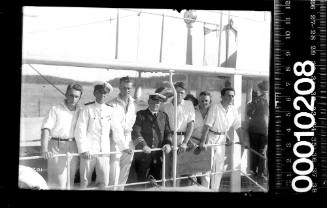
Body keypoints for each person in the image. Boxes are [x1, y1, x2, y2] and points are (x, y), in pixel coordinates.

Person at [199, 87, 247, 191]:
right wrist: (203, 142)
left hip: (222, 140)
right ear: (222, 96)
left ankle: (215, 190)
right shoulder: (215, 107)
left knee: (219, 168)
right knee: (207, 168)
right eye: (228, 95)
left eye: (232, 96)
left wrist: (242, 141)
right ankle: (204, 190)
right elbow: (207, 126)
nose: (231, 98)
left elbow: (237, 126)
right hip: (211, 138)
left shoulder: (233, 110)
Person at [74, 81, 121, 189]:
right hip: (88, 151)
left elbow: (117, 130)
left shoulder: (111, 110)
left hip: (104, 152)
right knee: (85, 182)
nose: (102, 95)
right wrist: (83, 149)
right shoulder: (87, 109)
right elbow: (79, 130)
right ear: (95, 93)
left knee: (103, 182)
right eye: (100, 92)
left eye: (105, 93)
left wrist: (123, 147)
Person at [40, 83, 83, 189]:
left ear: (79, 97)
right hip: (56, 146)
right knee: (58, 183)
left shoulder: (81, 111)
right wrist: (44, 149)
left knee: (70, 182)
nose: (73, 98)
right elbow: (46, 129)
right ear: (66, 94)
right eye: (71, 95)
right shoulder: (55, 109)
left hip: (73, 146)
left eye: (76, 96)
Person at [131, 93, 172, 185]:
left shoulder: (164, 116)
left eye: (157, 103)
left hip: (158, 155)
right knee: (141, 182)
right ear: (148, 102)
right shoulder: (141, 115)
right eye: (153, 102)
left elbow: (168, 132)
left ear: (160, 104)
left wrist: (168, 143)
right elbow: (135, 132)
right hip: (143, 155)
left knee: (156, 181)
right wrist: (143, 146)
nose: (155, 105)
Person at [161, 81, 195, 186]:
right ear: (173, 92)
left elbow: (191, 125)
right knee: (166, 168)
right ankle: (166, 188)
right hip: (168, 138)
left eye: (182, 92)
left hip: (182, 139)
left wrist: (185, 142)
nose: (179, 94)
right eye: (177, 92)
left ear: (185, 94)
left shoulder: (189, 104)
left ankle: (177, 188)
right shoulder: (165, 105)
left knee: (178, 169)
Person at [107, 76, 136, 190]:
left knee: (125, 171)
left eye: (129, 88)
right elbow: (115, 127)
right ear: (119, 87)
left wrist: (128, 144)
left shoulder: (134, 104)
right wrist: (122, 146)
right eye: (124, 87)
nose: (126, 90)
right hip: (115, 141)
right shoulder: (111, 104)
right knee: (113, 172)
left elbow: (133, 122)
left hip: (128, 139)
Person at [188, 91, 212, 187]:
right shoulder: (192, 110)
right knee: (192, 172)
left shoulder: (213, 111)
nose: (204, 102)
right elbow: (187, 127)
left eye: (206, 100)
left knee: (206, 173)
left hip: (207, 143)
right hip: (193, 142)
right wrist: (188, 141)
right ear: (198, 100)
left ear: (210, 101)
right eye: (201, 100)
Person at [247, 81, 269, 182]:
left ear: (260, 89)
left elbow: (249, 113)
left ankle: (254, 171)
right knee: (263, 151)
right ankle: (262, 173)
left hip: (255, 128)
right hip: (266, 130)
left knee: (255, 150)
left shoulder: (256, 100)